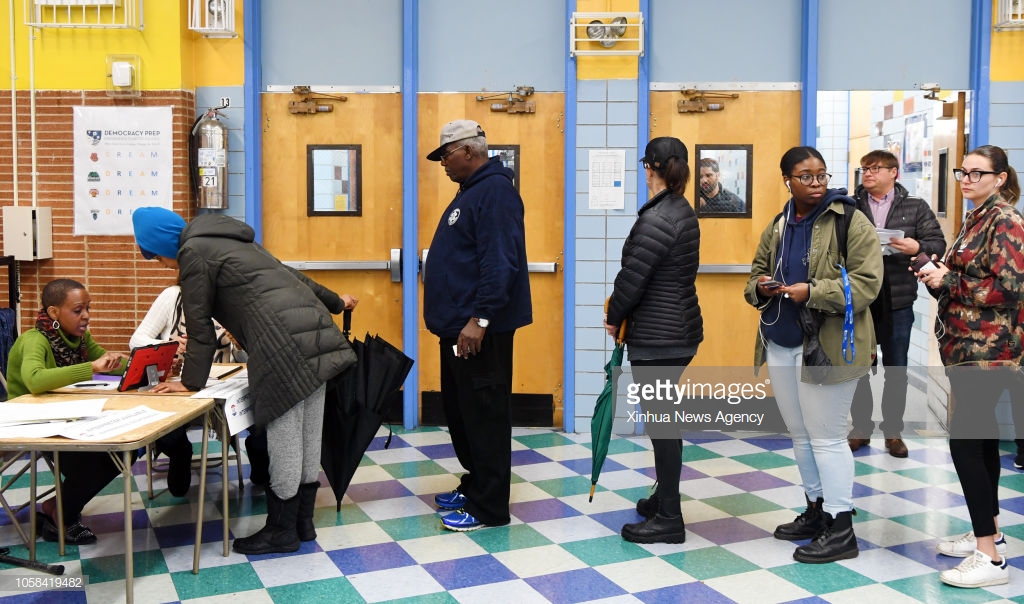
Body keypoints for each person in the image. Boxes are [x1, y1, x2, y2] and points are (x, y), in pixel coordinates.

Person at [132, 206, 358, 554]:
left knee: (285, 435)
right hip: (317, 332)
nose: (165, 267)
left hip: (281, 342)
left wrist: (190, 382)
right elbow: (295, 277)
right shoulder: (233, 241)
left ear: (162, 246)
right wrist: (336, 304)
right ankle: (303, 523)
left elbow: (199, 326)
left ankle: (281, 531)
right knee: (309, 430)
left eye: (158, 259)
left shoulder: (192, 253)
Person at [744, 146, 882, 564]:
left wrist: (813, 291)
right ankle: (817, 510)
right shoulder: (780, 223)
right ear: (786, 179)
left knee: (827, 437)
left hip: (828, 349)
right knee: (801, 435)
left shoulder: (850, 220)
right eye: (806, 176)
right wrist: (762, 287)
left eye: (821, 174)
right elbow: (753, 276)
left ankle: (842, 528)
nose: (817, 182)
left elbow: (867, 283)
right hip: (782, 343)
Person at [918, 145, 1024, 589]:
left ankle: (990, 558)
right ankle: (991, 530)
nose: (967, 179)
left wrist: (949, 280)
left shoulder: (1006, 220)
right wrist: (938, 274)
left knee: (965, 444)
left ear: (1000, 178)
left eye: (978, 173)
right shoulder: (977, 216)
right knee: (978, 445)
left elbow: (1011, 287)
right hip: (967, 347)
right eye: (964, 171)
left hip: (992, 352)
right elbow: (974, 276)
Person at [423, 119, 532, 532]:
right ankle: (475, 485)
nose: (443, 165)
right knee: (464, 413)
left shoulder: (496, 192)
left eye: (446, 156)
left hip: (480, 332)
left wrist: (480, 319)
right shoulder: (472, 191)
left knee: (484, 416)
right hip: (459, 330)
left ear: (468, 151)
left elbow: (499, 261)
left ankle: (489, 507)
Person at [604, 136, 702, 544]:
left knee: (663, 426)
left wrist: (614, 316)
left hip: (660, 337)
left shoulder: (658, 217)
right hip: (676, 331)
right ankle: (664, 497)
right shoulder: (679, 210)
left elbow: (633, 278)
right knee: (665, 421)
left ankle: (669, 518)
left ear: (652, 168)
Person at [4, 279, 129, 545]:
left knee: (123, 451)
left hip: (65, 417)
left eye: (88, 308)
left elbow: (107, 362)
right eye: (77, 310)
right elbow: (35, 380)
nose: (86, 316)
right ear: (53, 313)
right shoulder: (34, 340)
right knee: (100, 461)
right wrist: (92, 367)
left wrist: (147, 362)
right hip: (31, 423)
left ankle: (57, 507)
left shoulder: (79, 339)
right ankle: (62, 513)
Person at [847, 150, 946, 458]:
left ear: (894, 173)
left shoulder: (915, 207)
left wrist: (917, 247)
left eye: (876, 169)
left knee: (897, 369)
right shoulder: (850, 206)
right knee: (857, 367)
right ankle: (860, 429)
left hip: (898, 299)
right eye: (865, 169)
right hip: (860, 298)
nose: (869, 174)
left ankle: (893, 433)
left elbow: (938, 244)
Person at [131, 285, 269, 490]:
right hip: (179, 386)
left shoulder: (235, 300)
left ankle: (260, 467)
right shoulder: (174, 296)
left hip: (225, 387)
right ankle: (181, 454)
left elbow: (248, 359)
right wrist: (170, 343)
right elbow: (136, 340)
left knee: (263, 425)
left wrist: (240, 345)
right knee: (169, 434)